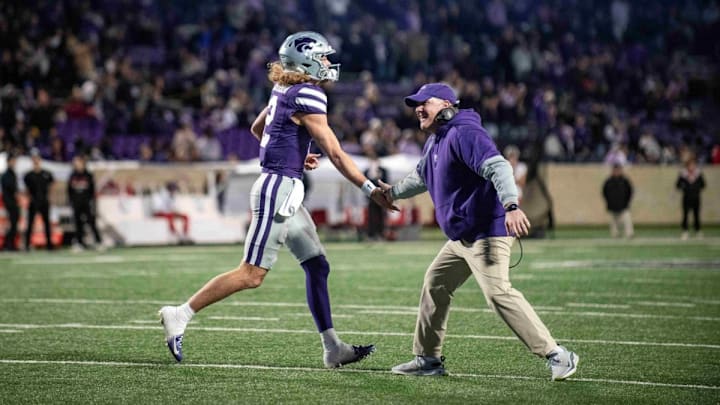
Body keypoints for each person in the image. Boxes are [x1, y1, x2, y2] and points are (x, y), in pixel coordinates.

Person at [159, 31, 396, 368]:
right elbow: (337, 154)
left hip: (284, 186)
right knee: (251, 274)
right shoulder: (309, 94)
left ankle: (333, 348)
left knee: (317, 264)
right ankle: (180, 313)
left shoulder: (283, 88)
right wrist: (370, 189)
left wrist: (295, 155)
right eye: (323, 57)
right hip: (278, 189)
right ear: (306, 60)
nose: (328, 63)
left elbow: (260, 129)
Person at [379, 83, 578, 381]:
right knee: (435, 283)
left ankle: (558, 355)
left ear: (447, 106)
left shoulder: (464, 132)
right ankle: (428, 360)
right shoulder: (438, 139)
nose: (418, 109)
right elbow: (422, 176)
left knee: (498, 293)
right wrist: (393, 192)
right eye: (415, 104)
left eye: (425, 103)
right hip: (461, 237)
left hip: (487, 232)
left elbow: (499, 167)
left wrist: (512, 206)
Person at [67, 155, 103, 251]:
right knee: (78, 224)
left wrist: (92, 202)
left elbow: (92, 190)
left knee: (92, 223)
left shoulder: (88, 175)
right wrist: (71, 202)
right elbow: (69, 190)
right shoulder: (72, 175)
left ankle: (98, 242)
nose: (76, 165)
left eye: (78, 162)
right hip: (76, 203)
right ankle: (79, 243)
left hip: (87, 203)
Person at [24, 151, 54, 251]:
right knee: (30, 223)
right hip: (33, 201)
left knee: (46, 223)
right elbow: (26, 190)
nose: (36, 161)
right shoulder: (28, 175)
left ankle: (49, 245)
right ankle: (27, 244)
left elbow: (53, 185)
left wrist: (49, 196)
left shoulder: (46, 174)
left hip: (44, 201)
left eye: (37, 159)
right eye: (34, 159)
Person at [602, 163, 634, 239]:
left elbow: (630, 192)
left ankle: (629, 234)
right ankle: (615, 234)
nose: (616, 171)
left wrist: (627, 201)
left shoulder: (625, 181)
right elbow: (604, 192)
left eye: (618, 170)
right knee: (613, 222)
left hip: (623, 204)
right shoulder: (608, 181)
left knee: (627, 219)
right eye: (615, 170)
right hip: (612, 205)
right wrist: (608, 202)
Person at [676, 157, 705, 240]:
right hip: (686, 197)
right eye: (690, 165)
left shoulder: (698, 174)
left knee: (696, 215)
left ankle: (698, 231)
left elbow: (703, 185)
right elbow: (677, 185)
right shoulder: (683, 174)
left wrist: (696, 188)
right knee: (685, 215)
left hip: (696, 197)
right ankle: (685, 231)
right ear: (687, 166)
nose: (691, 167)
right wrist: (685, 187)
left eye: (693, 165)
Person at [363, 153, 388, 240]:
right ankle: (371, 235)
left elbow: (386, 183)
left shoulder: (383, 171)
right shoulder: (367, 171)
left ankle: (381, 234)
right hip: (371, 197)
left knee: (381, 216)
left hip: (381, 197)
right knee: (371, 216)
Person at [1, 153, 20, 251]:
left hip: (13, 202)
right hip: (9, 202)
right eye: (12, 161)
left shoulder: (12, 173)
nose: (14, 163)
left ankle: (9, 244)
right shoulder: (6, 175)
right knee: (12, 224)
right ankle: (8, 244)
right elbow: (10, 189)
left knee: (14, 224)